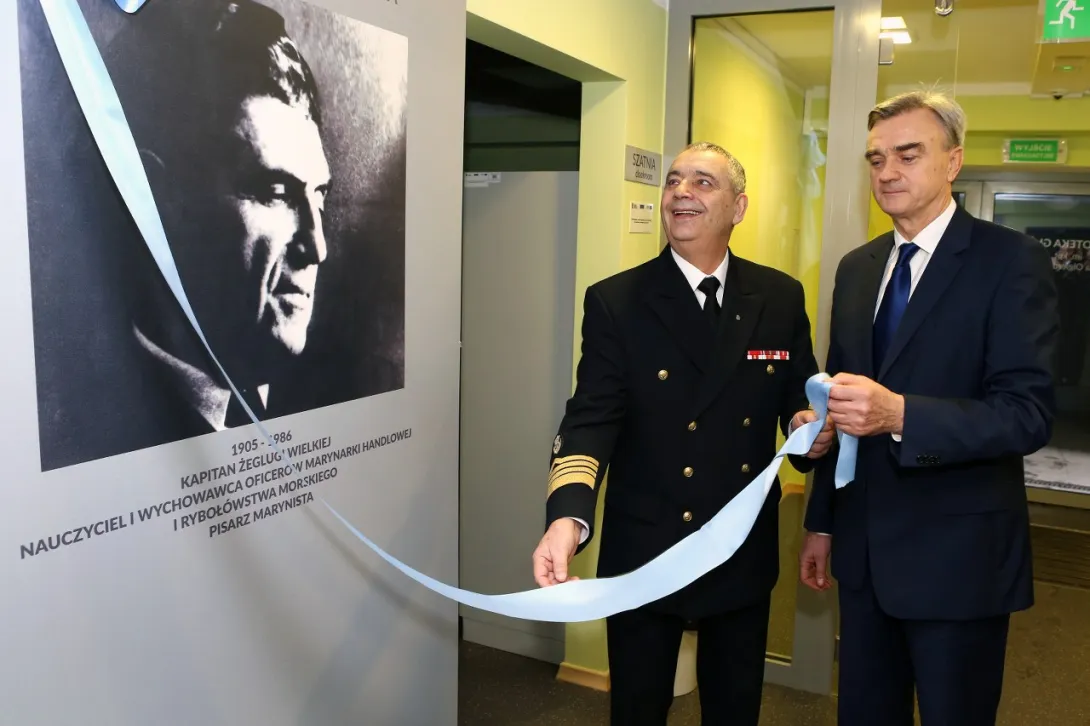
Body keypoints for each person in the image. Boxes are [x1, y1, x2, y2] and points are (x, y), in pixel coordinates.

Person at [532, 141, 834, 726]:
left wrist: (808, 428)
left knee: (733, 710)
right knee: (638, 710)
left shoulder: (778, 296)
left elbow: (797, 396)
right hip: (648, 547)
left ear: (738, 207)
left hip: (738, 546)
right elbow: (591, 419)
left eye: (702, 182)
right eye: (673, 181)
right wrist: (566, 518)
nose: (681, 193)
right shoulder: (618, 300)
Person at [799, 90, 1059, 725]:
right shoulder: (857, 269)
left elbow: (1026, 414)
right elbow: (841, 398)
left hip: (959, 561)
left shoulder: (1009, 261)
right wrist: (822, 517)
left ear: (953, 161)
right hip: (864, 559)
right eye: (876, 158)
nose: (888, 171)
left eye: (908, 154)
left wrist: (900, 416)